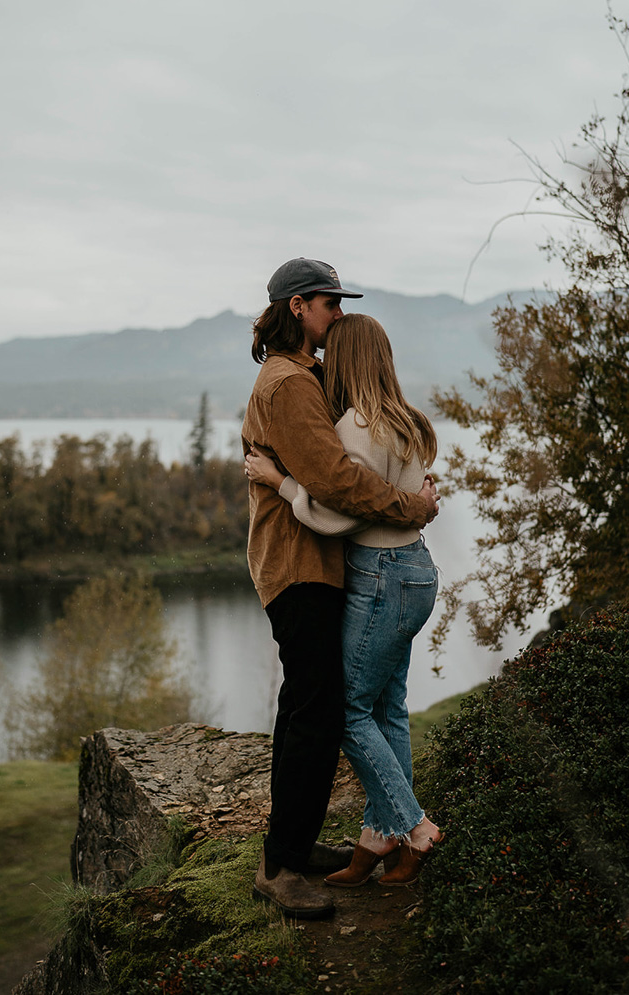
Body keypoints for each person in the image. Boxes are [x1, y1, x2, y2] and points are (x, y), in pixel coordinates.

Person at [242, 259, 439, 920]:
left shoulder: (306, 377)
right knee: (318, 711)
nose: (337, 313)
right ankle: (280, 866)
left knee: (313, 708)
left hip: (317, 564)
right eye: (330, 301)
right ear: (298, 306)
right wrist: (411, 508)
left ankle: (290, 849)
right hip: (299, 566)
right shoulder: (289, 384)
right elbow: (336, 481)